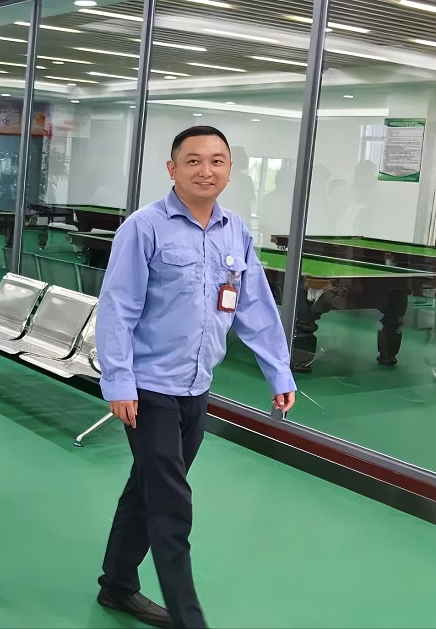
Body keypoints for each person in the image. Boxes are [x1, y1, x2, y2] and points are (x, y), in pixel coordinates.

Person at [94, 125, 296, 629]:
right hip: (149, 389)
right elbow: (117, 309)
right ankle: (191, 620)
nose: (206, 171)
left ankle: (117, 585)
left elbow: (254, 305)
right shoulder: (144, 228)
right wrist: (118, 382)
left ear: (229, 169)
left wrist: (278, 371)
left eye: (217, 161)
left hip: (196, 389)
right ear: (172, 169)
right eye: (194, 161)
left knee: (147, 487)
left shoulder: (234, 232)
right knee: (171, 506)